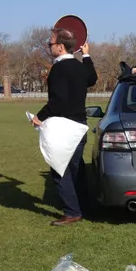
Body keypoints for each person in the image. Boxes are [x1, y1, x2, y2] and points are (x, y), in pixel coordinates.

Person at [32, 28, 98, 226]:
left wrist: (39, 117)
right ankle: (85, 207)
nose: (48, 46)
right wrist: (86, 55)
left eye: (50, 43)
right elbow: (92, 78)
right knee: (76, 169)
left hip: (64, 127)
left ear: (60, 47)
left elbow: (58, 101)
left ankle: (72, 212)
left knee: (59, 169)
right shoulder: (79, 66)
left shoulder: (59, 69)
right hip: (80, 126)